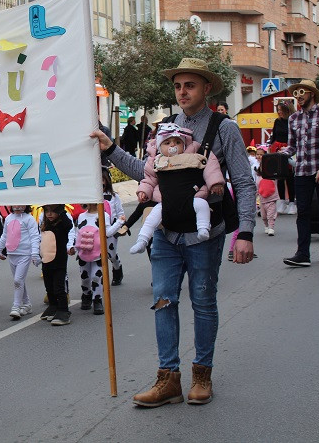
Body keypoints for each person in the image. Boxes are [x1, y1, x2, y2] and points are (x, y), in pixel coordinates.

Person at [91, 57, 256, 407]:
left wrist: (246, 232)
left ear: (206, 88)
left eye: (190, 85)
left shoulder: (223, 127)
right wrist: (110, 149)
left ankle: (202, 376)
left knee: (203, 303)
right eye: (178, 86)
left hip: (204, 233)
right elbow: (145, 171)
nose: (182, 92)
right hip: (166, 233)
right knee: (164, 302)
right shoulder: (164, 126)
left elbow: (242, 181)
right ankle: (168, 380)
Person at [130, 123, 225, 254]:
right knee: (152, 217)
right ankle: (142, 240)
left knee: (202, 205)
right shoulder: (157, 161)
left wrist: (215, 183)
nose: (172, 145)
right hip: (167, 202)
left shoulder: (194, 156)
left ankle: (203, 228)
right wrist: (144, 191)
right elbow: (149, 179)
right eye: (167, 143)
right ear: (159, 147)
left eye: (177, 142)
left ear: (184, 144)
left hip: (191, 198)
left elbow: (210, 167)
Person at [281, 79, 319, 266]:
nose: (299, 96)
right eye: (296, 93)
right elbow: (292, 146)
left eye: (302, 92)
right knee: (302, 211)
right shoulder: (293, 118)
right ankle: (302, 253)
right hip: (302, 170)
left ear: (311, 93)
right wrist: (279, 154)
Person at [72, 203, 124, 315]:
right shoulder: (81, 216)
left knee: (97, 276)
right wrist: (75, 246)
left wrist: (119, 222)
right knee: (84, 277)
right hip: (84, 252)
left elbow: (108, 232)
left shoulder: (103, 215)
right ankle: (86, 295)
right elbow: (78, 233)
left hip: (98, 252)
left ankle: (97, 299)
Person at [0, 205, 41, 319]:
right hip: (12, 254)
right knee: (19, 280)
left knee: (17, 280)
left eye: (21, 204)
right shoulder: (9, 218)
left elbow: (35, 236)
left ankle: (16, 306)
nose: (17, 207)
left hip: (24, 254)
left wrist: (35, 253)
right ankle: (26, 304)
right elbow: (4, 235)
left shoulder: (29, 219)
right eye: (15, 204)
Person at [38, 204, 75, 325]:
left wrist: (61, 211)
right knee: (49, 286)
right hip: (46, 260)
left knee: (59, 286)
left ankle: (63, 310)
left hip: (59, 261)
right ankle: (53, 306)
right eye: (47, 211)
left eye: (53, 211)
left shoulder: (62, 224)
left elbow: (69, 225)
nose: (49, 214)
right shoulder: (45, 224)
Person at [269, 101, 296, 215]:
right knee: (279, 176)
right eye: (278, 110)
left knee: (289, 177)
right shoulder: (277, 121)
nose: (279, 112)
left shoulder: (293, 121)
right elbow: (273, 136)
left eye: (281, 110)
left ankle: (291, 203)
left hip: (289, 149)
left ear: (287, 109)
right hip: (277, 150)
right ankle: (281, 201)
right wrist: (270, 146)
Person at [102, 170, 125, 285]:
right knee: (98, 254)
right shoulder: (92, 197)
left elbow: (120, 212)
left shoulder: (114, 197)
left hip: (112, 228)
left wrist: (120, 224)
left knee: (111, 253)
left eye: (103, 180)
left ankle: (117, 269)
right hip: (96, 230)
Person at [255, 144, 280, 236]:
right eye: (257, 154)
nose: (259, 156)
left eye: (261, 154)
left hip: (271, 196)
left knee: (270, 214)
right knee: (263, 215)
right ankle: (266, 226)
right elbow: (257, 182)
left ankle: (271, 227)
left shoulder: (270, 167)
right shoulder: (257, 168)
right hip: (262, 196)